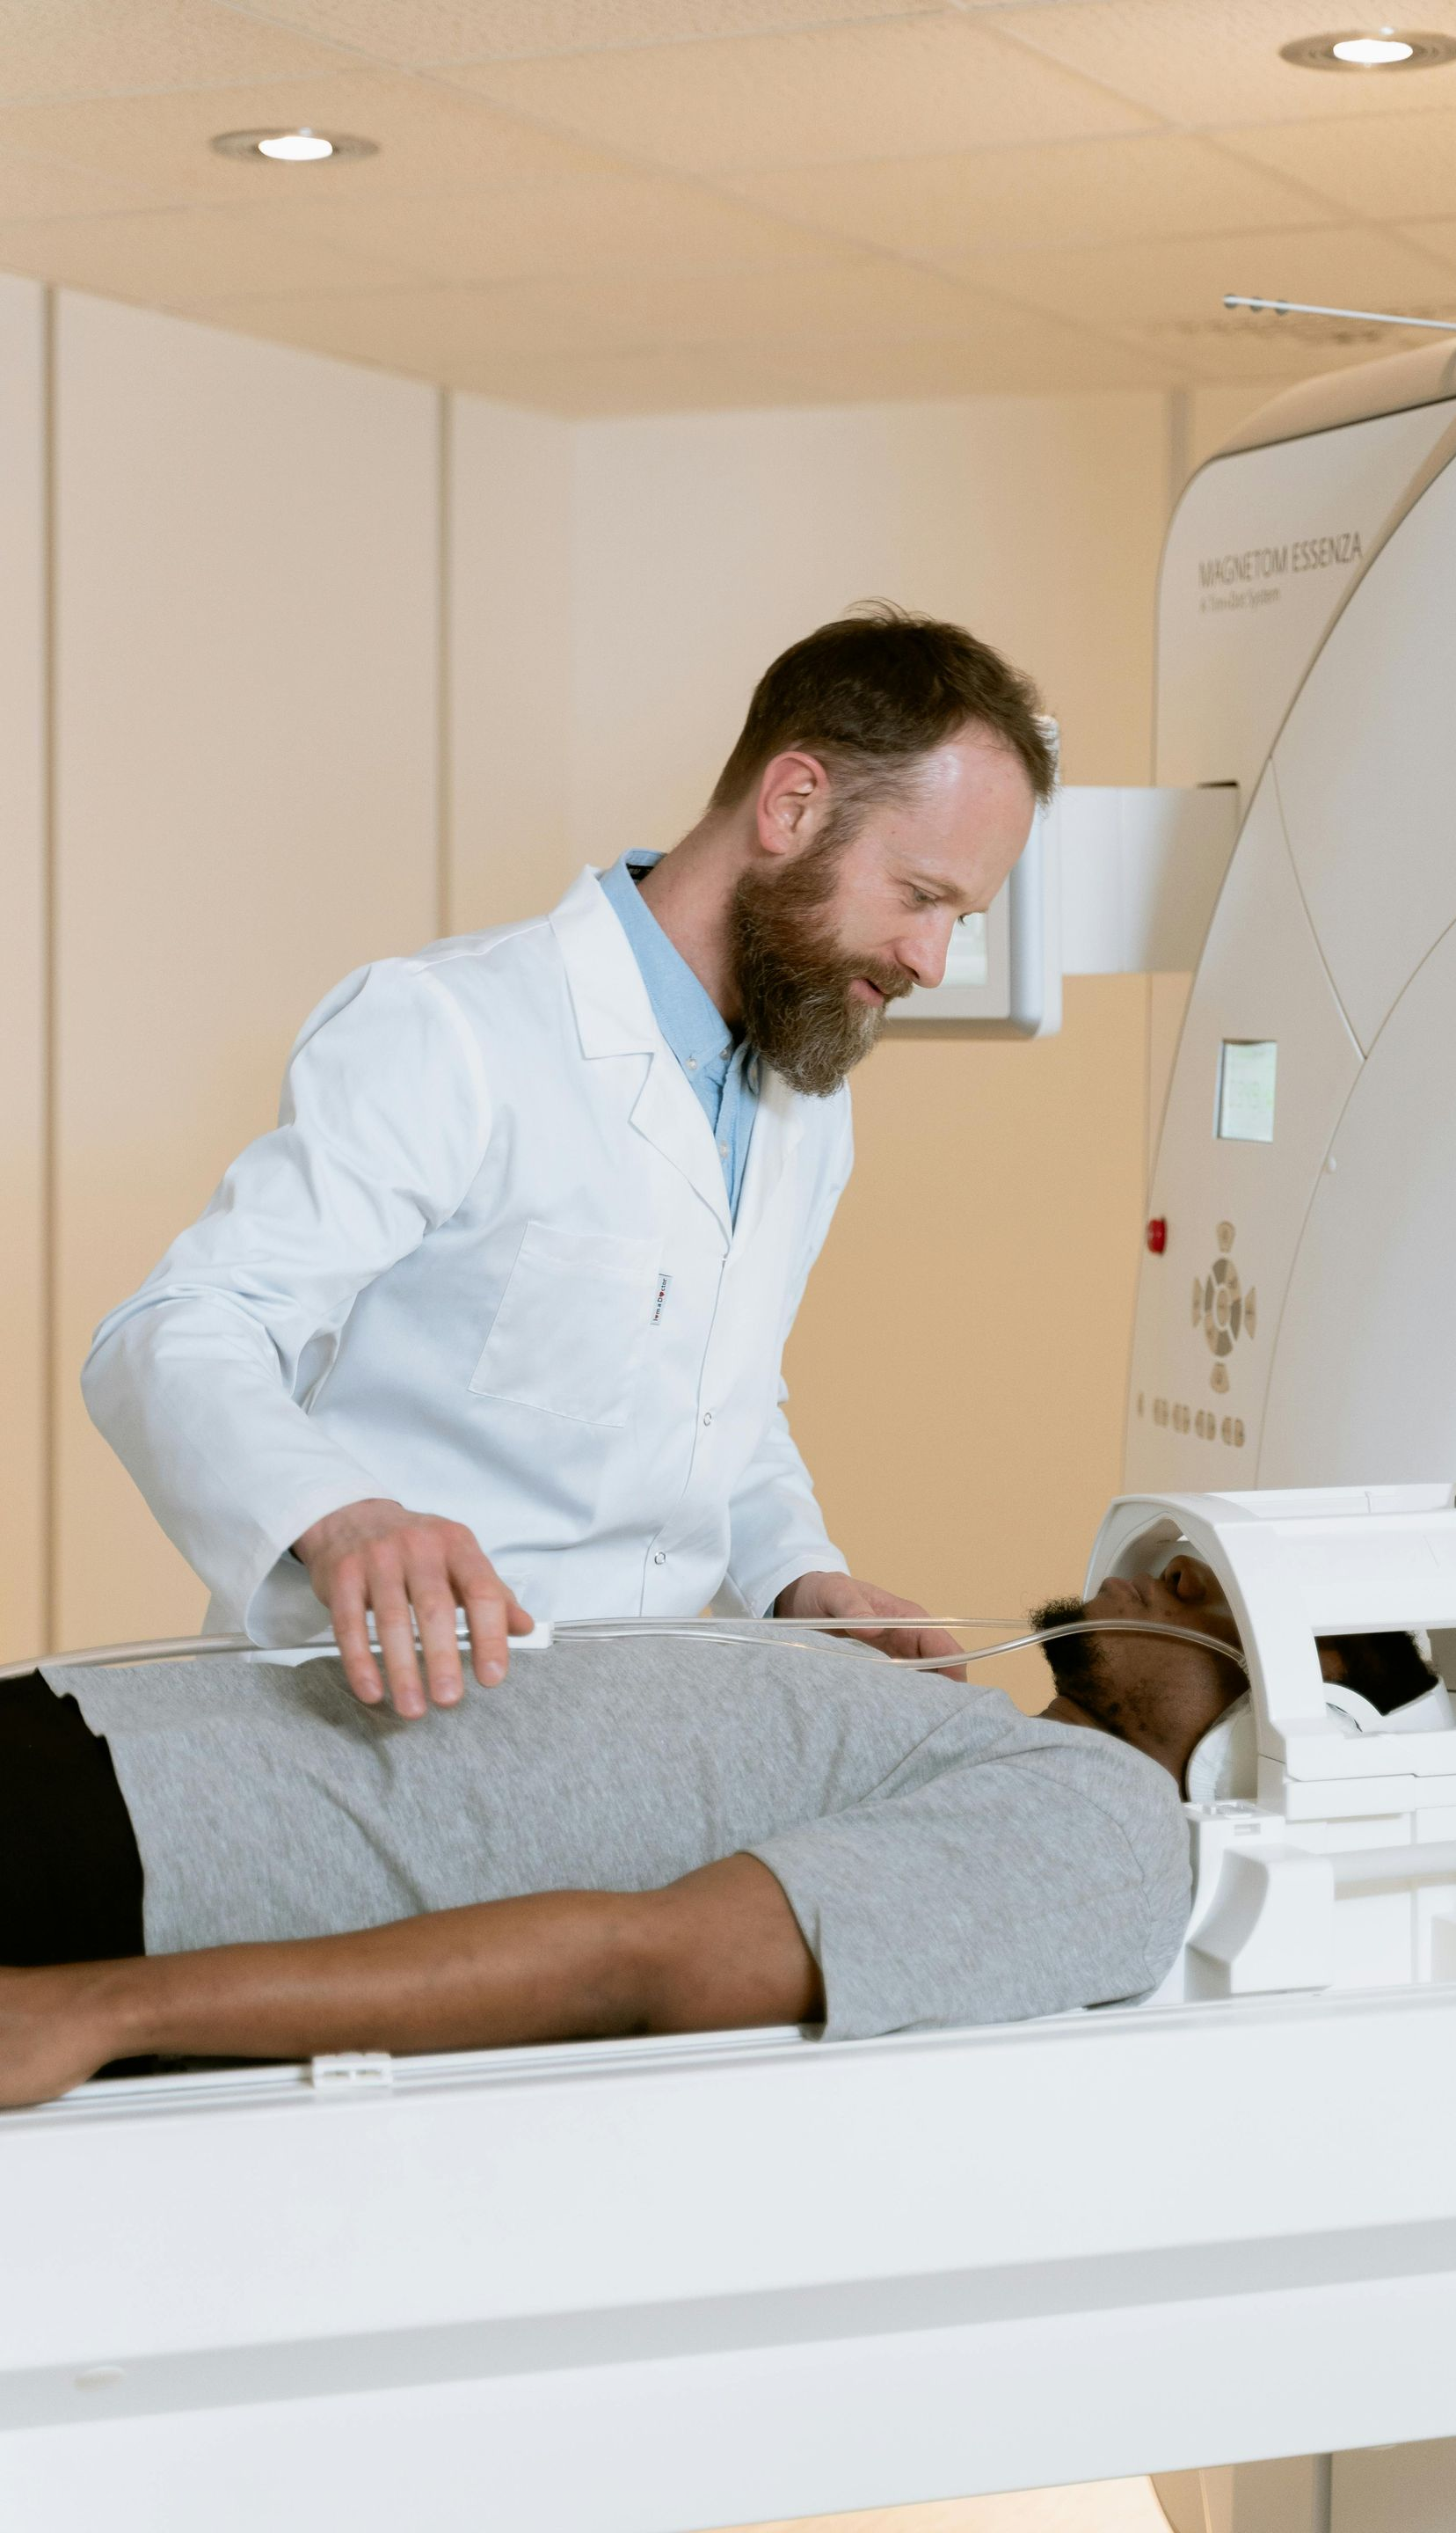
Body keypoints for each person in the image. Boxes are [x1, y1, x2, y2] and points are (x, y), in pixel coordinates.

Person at [81, 608, 1053, 1719]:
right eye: (923, 897)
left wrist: (794, 1577)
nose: (932, 958)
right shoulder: (455, 1027)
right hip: (370, 1723)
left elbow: (715, 1402)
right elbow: (181, 1326)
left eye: (960, 920)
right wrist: (341, 1514)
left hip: (618, 1734)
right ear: (793, 805)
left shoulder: (802, 1097)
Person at [0, 1607, 1190, 2106]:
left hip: (152, 1867)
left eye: (1213, 1608)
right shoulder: (977, 1735)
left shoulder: (1120, 1828)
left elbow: (642, 1965)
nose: (1170, 1574)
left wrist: (102, 2008)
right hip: (115, 1746)